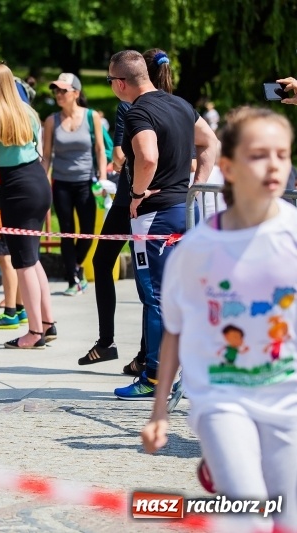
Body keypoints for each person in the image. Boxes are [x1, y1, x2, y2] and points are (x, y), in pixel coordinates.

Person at [142, 107, 297, 532]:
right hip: (222, 397)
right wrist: (159, 414)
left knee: (285, 518)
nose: (274, 166)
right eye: (259, 155)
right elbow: (174, 329)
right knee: (249, 514)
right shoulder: (197, 249)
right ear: (226, 166)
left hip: (286, 399)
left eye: (282, 155)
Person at [107, 50, 217, 399]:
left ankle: (155, 377)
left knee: (155, 295)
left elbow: (148, 156)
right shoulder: (181, 104)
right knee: (176, 293)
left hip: (154, 215)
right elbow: (210, 142)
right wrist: (195, 186)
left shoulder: (138, 111)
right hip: (183, 211)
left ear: (120, 83)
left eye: (110, 81)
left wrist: (137, 194)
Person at [0, 62, 55, 350]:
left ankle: (34, 332)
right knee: (33, 258)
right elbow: (38, 149)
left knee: (23, 263)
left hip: (17, 188)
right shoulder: (29, 112)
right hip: (38, 180)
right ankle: (47, 322)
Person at [42, 72, 106, 296]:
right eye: (56, 90)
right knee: (67, 231)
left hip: (86, 181)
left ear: (76, 93)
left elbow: (99, 148)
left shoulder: (91, 117)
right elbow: (47, 154)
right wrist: (42, 178)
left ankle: (77, 265)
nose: (58, 94)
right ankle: (73, 279)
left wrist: (103, 178)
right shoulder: (52, 120)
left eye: (63, 90)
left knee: (87, 231)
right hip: (61, 183)